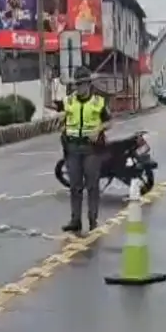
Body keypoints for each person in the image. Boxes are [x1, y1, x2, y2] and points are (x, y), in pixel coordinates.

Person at [58, 66, 110, 234]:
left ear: (89, 84)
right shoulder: (69, 101)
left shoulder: (98, 102)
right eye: (77, 85)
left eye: (83, 84)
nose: (80, 88)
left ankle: (93, 219)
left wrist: (99, 130)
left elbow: (110, 121)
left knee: (92, 186)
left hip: (91, 149)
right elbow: (64, 120)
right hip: (73, 148)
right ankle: (75, 220)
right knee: (75, 186)